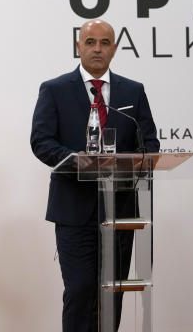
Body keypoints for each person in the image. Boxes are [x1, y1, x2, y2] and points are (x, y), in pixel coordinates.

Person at [30, 19, 160, 332]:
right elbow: (41, 141)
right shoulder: (55, 90)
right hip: (74, 210)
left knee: (111, 295)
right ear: (79, 47)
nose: (97, 49)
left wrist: (137, 160)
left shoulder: (133, 91)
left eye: (104, 43)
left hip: (120, 212)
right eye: (90, 42)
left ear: (114, 48)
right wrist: (80, 162)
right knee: (79, 291)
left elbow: (151, 144)